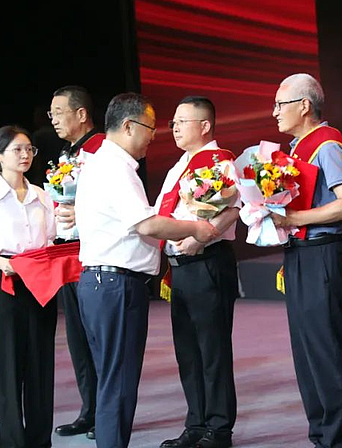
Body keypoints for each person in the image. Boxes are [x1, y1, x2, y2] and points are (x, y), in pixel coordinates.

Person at [75, 93, 219, 448]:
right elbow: (147, 225)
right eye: (150, 128)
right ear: (128, 126)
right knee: (119, 384)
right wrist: (195, 228)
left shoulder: (101, 162)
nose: (154, 136)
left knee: (111, 379)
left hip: (99, 282)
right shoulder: (115, 167)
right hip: (115, 284)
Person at [268, 73, 342, 448]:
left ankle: (341, 441)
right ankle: (322, 436)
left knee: (327, 353)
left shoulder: (327, 144)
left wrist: (294, 218)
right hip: (300, 254)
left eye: (281, 104)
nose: (275, 112)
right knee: (306, 354)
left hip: (323, 254)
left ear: (304, 105)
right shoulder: (296, 149)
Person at [156, 97, 241, 448]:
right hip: (180, 268)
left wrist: (203, 236)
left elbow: (235, 207)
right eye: (173, 122)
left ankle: (218, 429)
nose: (175, 127)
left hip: (207, 262)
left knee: (212, 349)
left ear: (204, 126)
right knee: (188, 351)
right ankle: (196, 423)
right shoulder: (180, 165)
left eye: (182, 121)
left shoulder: (220, 161)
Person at [0, 126, 57, 448]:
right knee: (7, 365)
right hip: (4, 278)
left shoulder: (42, 195)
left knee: (40, 363)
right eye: (17, 150)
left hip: (40, 280)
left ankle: (40, 440)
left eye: (29, 149)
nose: (25, 155)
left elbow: (50, 239)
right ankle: (12, 442)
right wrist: (4, 264)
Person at [48, 85, 104, 439]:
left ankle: (106, 413)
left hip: (94, 252)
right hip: (68, 251)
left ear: (81, 114)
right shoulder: (67, 153)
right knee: (77, 337)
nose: (53, 120)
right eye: (51, 114)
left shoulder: (101, 150)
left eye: (59, 112)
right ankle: (89, 409)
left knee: (97, 337)